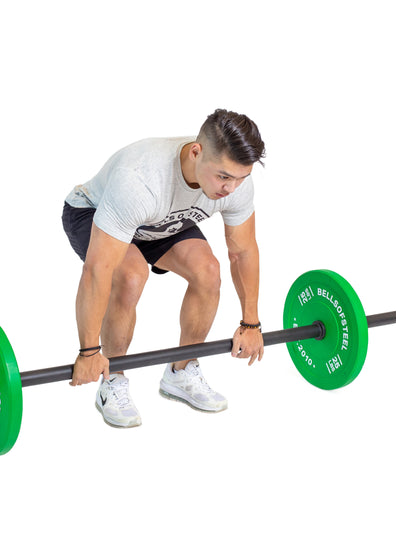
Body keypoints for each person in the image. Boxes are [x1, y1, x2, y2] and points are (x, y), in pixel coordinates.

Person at [61, 109, 265, 428]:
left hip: (161, 220)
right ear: (196, 152)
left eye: (241, 178)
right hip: (93, 211)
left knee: (208, 271)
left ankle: (180, 372)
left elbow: (242, 251)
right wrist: (88, 351)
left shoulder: (235, 184)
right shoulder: (141, 179)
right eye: (224, 177)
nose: (231, 189)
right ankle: (112, 379)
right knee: (130, 274)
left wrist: (251, 323)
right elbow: (97, 271)